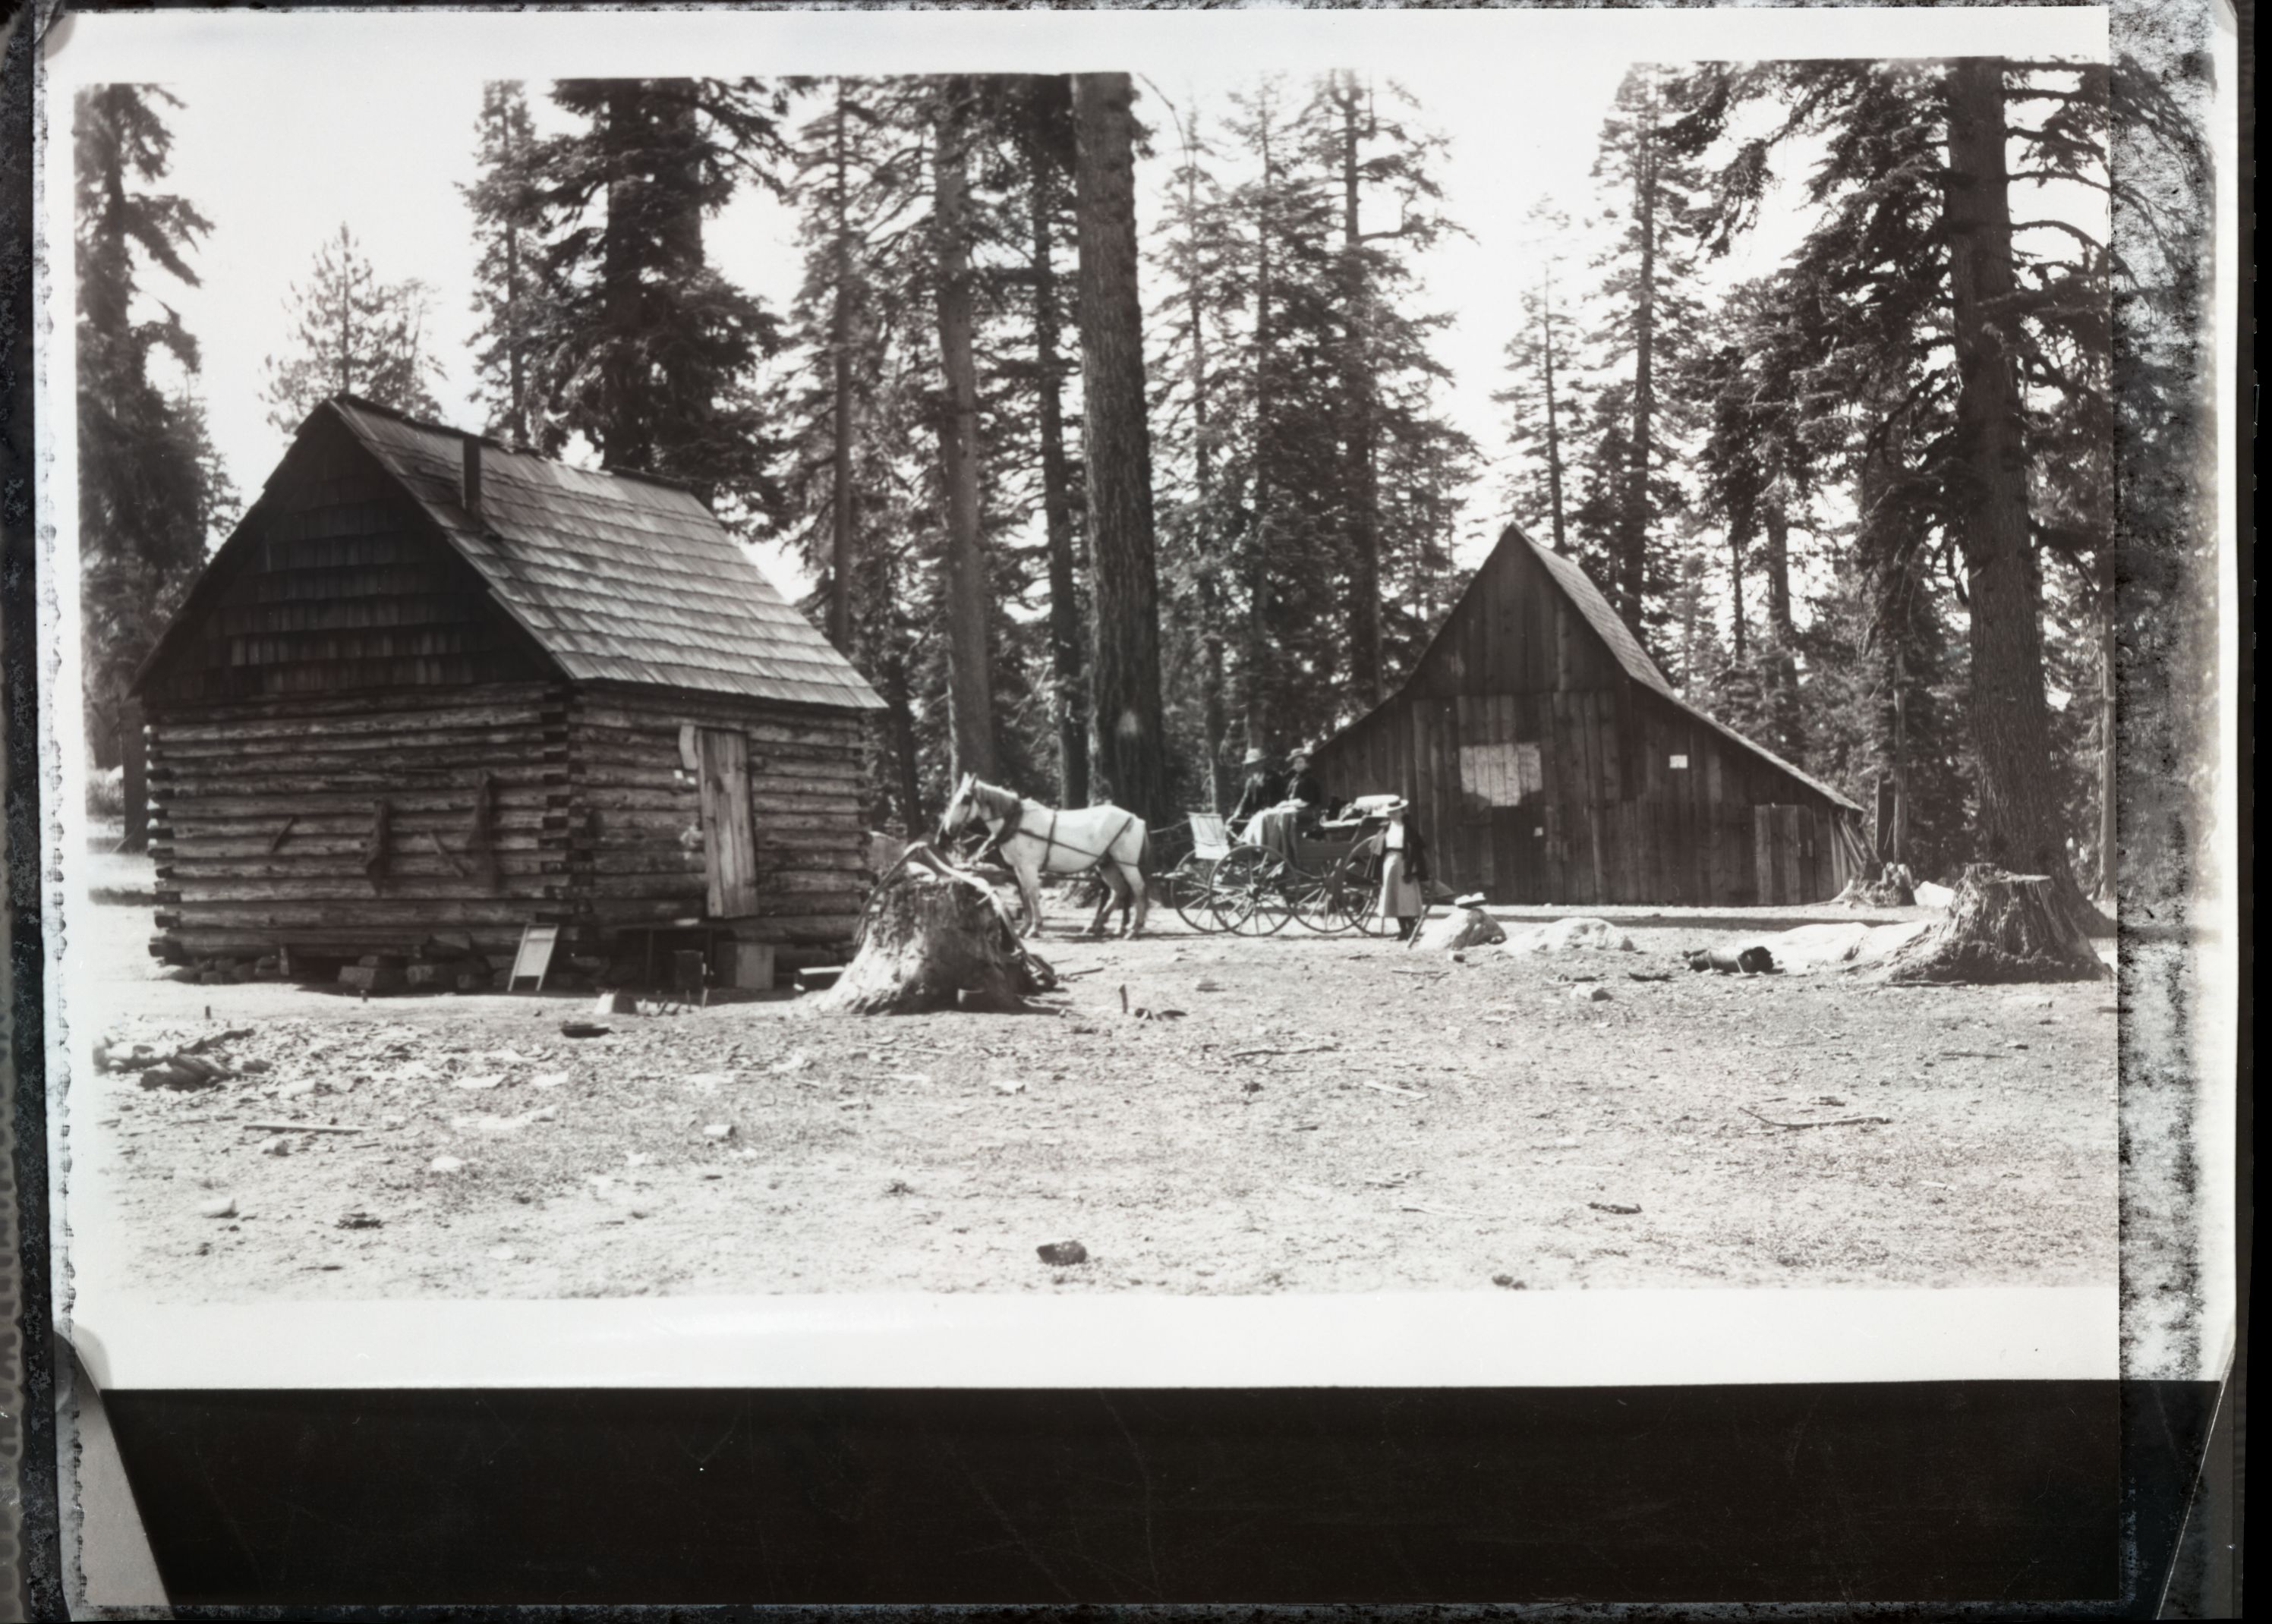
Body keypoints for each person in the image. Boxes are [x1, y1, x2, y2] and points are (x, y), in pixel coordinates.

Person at [1372, 800, 1430, 942]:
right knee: (1393, 897)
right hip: (1389, 863)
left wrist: (1412, 867)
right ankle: (1403, 931)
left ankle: (1411, 930)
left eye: (1396, 811)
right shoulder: (1385, 829)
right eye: (1390, 812)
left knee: (1406, 897)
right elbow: (1378, 848)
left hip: (1406, 863)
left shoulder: (1409, 830)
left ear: (1402, 812)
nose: (1393, 814)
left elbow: (1416, 849)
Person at [1228, 747, 1283, 826]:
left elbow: (1279, 799)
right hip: (1255, 817)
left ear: (1261, 763)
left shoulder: (1273, 777)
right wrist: (1236, 815)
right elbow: (1245, 800)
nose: (1252, 767)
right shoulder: (1251, 781)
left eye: (1255, 764)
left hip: (1272, 818)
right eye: (1250, 765)